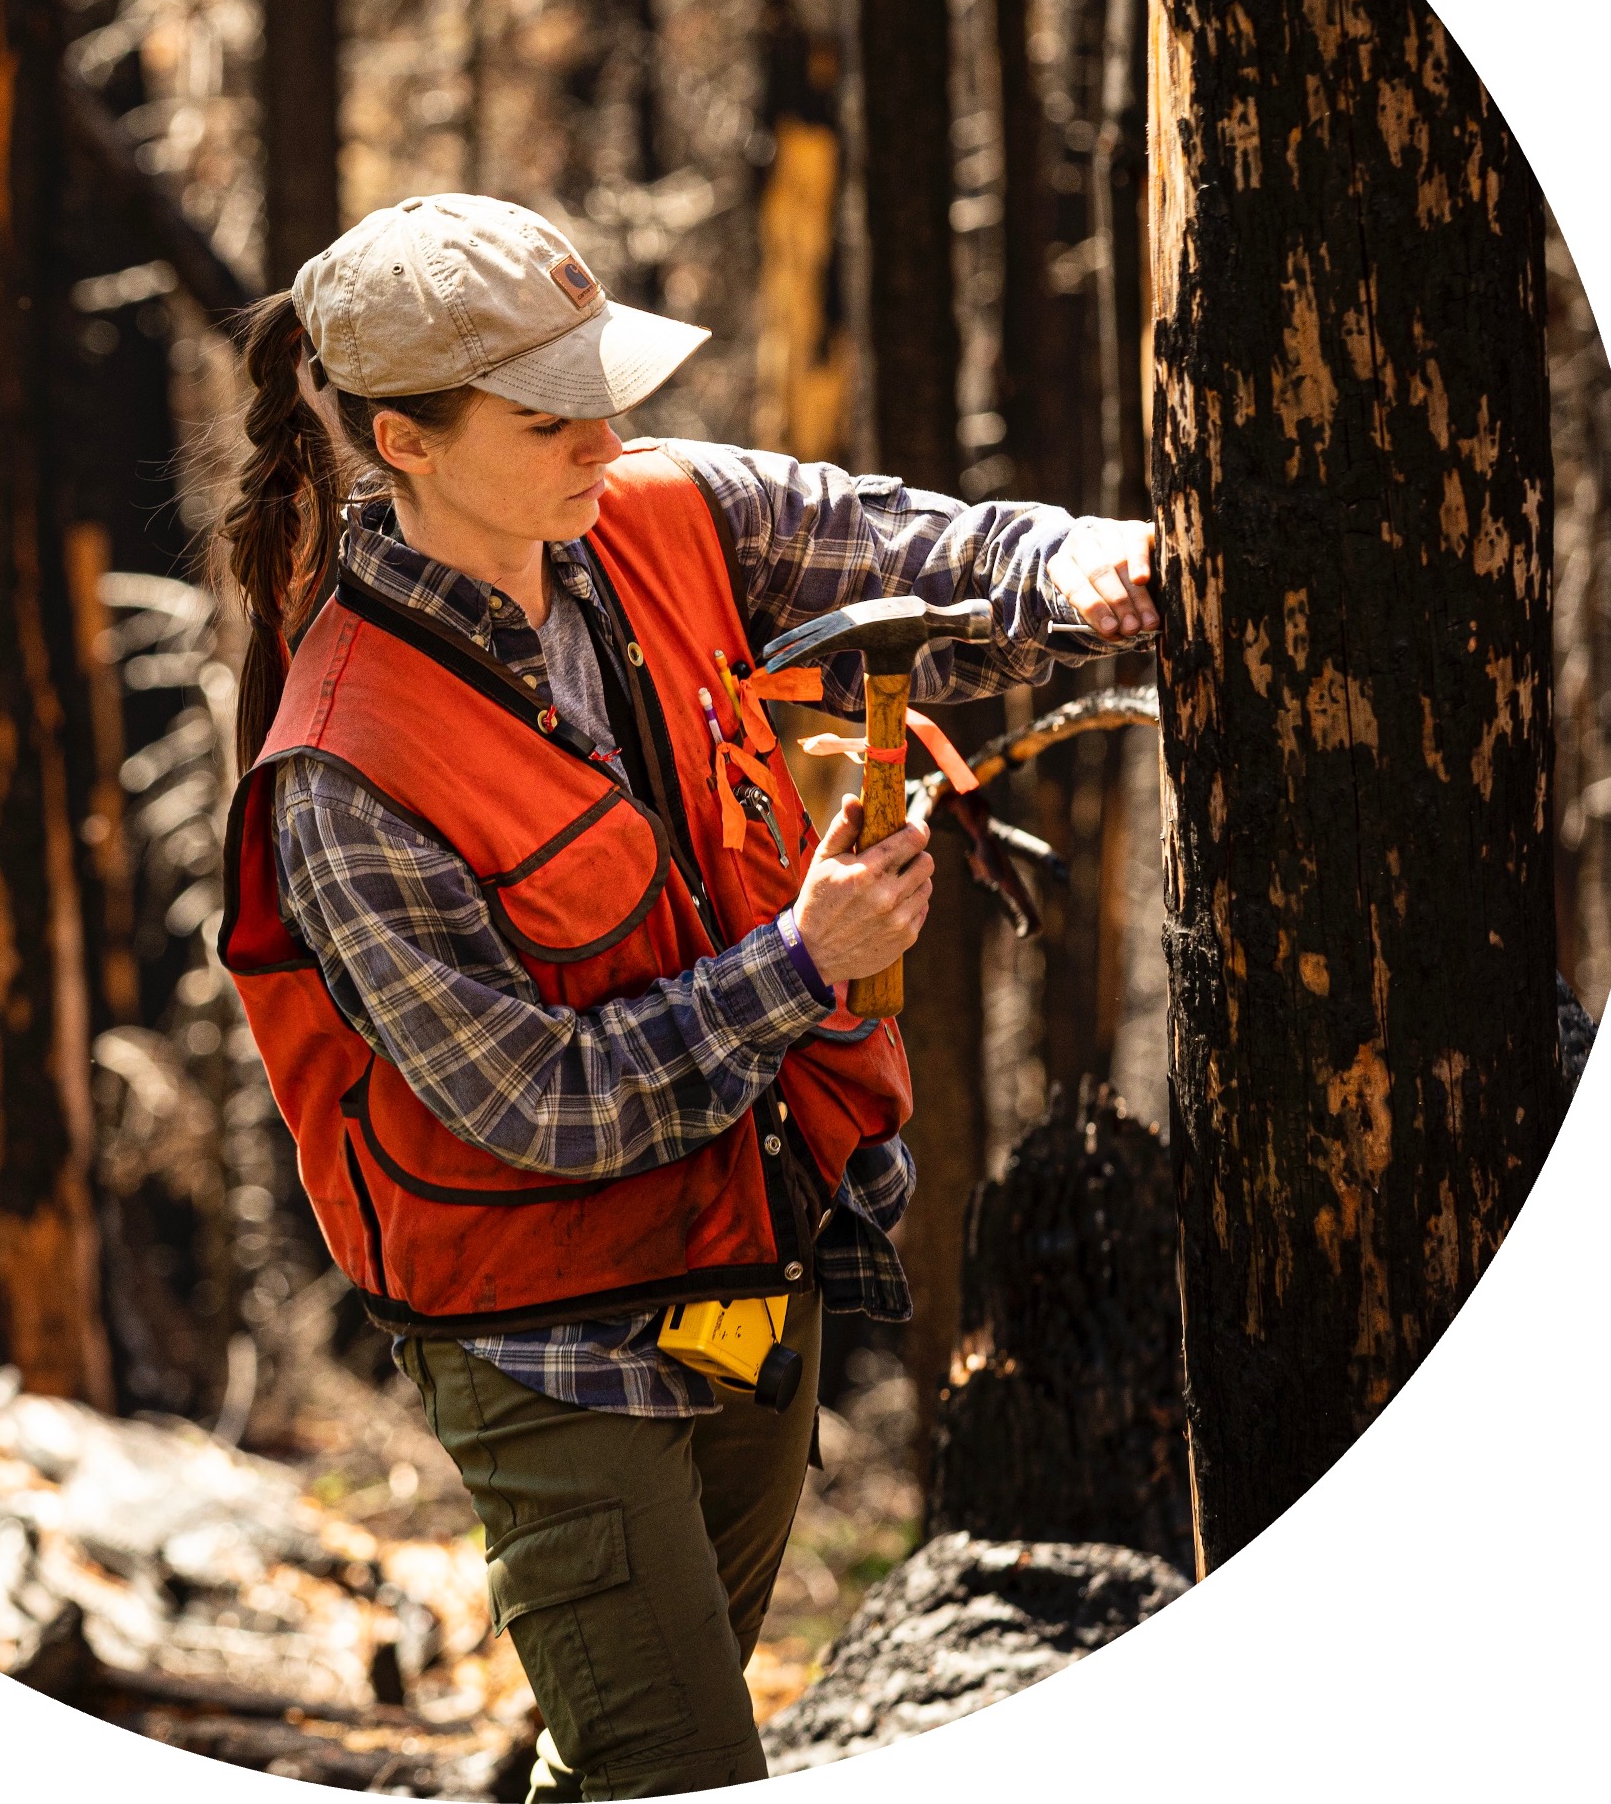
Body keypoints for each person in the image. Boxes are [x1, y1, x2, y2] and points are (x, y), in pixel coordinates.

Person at [217, 194, 1156, 1798]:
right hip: (547, 1345)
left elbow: (899, 545)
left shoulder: (653, 517)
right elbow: (539, 1105)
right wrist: (799, 963)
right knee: (677, 1768)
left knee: (634, 1756)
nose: (604, 433)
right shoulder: (343, 767)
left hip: (748, 1261)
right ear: (405, 438)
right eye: (548, 411)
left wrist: (1076, 565)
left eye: (605, 386)